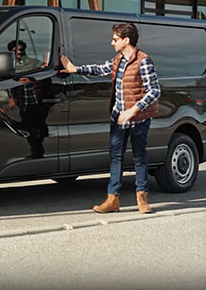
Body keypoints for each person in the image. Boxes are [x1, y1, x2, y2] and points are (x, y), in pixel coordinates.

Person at [60, 23, 161, 213]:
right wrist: (75, 69)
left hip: (138, 119)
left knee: (139, 157)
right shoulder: (118, 60)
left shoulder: (143, 61)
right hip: (118, 117)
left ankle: (142, 198)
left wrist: (133, 111)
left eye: (115, 39)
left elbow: (154, 91)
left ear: (126, 40)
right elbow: (100, 69)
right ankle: (112, 199)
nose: (111, 42)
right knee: (116, 157)